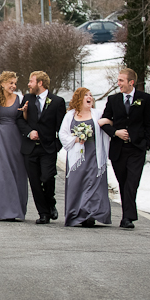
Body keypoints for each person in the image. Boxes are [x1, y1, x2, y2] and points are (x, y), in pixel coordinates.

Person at [99, 68, 150, 229]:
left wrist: (146, 143)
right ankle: (126, 216)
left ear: (131, 82)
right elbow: (104, 121)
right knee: (123, 183)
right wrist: (115, 132)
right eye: (118, 81)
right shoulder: (113, 99)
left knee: (132, 182)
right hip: (118, 150)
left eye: (121, 81)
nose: (118, 84)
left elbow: (149, 123)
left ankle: (128, 217)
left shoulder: (144, 99)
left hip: (137, 149)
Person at [16, 71, 66, 224]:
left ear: (40, 83)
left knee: (47, 177)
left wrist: (56, 146)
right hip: (30, 148)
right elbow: (19, 120)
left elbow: (62, 127)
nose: (29, 84)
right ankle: (43, 213)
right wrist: (29, 132)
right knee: (35, 182)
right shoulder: (27, 99)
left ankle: (50, 202)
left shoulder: (57, 101)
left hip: (48, 148)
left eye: (31, 81)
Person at [59, 88, 112, 227]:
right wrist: (76, 139)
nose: (90, 98)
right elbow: (63, 134)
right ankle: (77, 214)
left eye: (91, 95)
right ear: (79, 98)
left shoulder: (97, 114)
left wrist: (106, 122)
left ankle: (90, 214)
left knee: (92, 183)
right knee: (77, 183)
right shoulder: (70, 115)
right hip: (77, 156)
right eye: (86, 95)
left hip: (94, 153)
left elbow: (109, 126)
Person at [0, 72, 28, 221]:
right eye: (10, 83)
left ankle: (16, 210)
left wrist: (25, 113)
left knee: (17, 171)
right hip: (1, 137)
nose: (13, 86)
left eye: (15, 83)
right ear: (2, 83)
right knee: (1, 172)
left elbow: (25, 120)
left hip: (16, 137)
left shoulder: (20, 98)